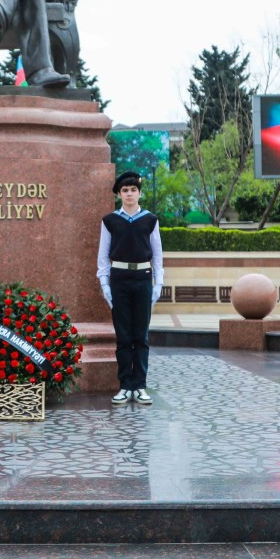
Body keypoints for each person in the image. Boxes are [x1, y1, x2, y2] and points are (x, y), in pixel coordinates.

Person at [97, 171, 163, 405]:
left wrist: (159, 283)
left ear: (139, 193)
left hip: (143, 277)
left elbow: (157, 255)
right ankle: (125, 385)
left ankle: (140, 385)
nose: (129, 194)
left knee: (141, 335)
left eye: (133, 190)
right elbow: (103, 256)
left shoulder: (150, 220)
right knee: (124, 335)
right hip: (120, 278)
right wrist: (105, 284)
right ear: (119, 194)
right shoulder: (110, 221)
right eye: (125, 190)